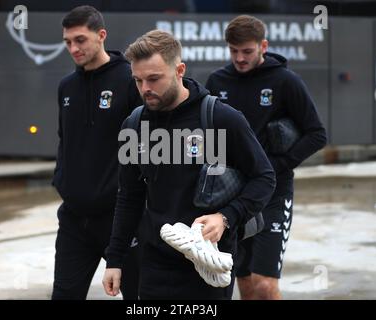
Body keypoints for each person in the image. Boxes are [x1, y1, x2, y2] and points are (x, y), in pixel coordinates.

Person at [102, 30, 276, 300]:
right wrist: (114, 259)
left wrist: (226, 217)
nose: (145, 88)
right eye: (138, 80)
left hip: (209, 262)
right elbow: (129, 197)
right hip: (154, 263)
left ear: (179, 70)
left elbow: (264, 178)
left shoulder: (221, 118)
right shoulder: (134, 125)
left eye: (154, 78)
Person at [205, 15, 327, 300]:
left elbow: (316, 134)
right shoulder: (217, 80)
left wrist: (274, 165)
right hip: (234, 196)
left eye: (247, 51)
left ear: (263, 46)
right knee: (244, 282)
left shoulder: (285, 81)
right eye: (233, 51)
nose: (240, 58)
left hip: (273, 193)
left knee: (264, 284)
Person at [51, 5, 142, 300]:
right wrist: (61, 180)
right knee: (64, 295)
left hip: (118, 218)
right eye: (68, 42)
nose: (73, 48)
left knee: (140, 298)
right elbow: (65, 141)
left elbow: (146, 146)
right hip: (74, 219)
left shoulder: (129, 81)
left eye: (80, 40)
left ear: (101, 35)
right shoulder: (66, 87)